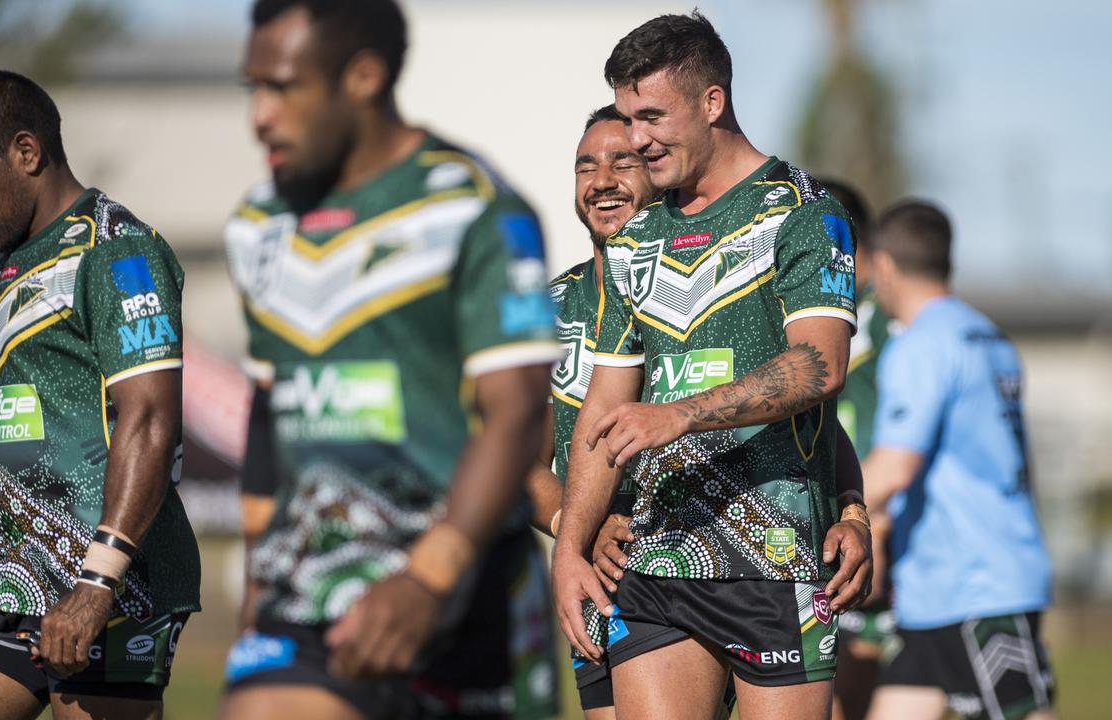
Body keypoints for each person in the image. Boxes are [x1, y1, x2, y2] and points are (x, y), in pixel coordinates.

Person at [217, 2, 559, 719]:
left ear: (363, 77)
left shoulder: (476, 210)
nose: (260, 117)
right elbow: (267, 416)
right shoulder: (258, 227)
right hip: (307, 596)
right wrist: (258, 584)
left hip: (466, 598)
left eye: (283, 88)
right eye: (254, 89)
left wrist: (428, 581)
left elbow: (520, 413)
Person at [551, 12, 873, 720]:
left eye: (652, 117)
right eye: (630, 118)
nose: (636, 139)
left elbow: (820, 369)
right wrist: (569, 549)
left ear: (712, 102)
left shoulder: (803, 215)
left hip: (777, 562)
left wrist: (677, 415)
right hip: (657, 562)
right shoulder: (635, 240)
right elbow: (603, 417)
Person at [0, 70, 201, 720]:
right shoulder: (12, 264)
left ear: (27, 153)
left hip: (118, 581)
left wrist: (98, 583)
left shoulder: (119, 252)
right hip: (21, 570)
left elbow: (150, 419)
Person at [860, 201, 1055, 720]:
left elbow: (893, 468)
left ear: (884, 265)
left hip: (975, 584)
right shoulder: (989, 336)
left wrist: (815, 508)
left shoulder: (922, 344)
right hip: (940, 590)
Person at [525, 104, 653, 720]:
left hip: (726, 555)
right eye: (586, 167)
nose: (601, 180)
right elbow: (520, 461)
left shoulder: (705, 286)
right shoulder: (546, 310)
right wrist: (576, 529)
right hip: (601, 575)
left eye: (621, 162)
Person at [819, 179, 896, 720]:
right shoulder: (827, 312)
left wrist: (880, 519)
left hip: (874, 527)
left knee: (862, 686)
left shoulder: (886, 323)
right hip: (833, 521)